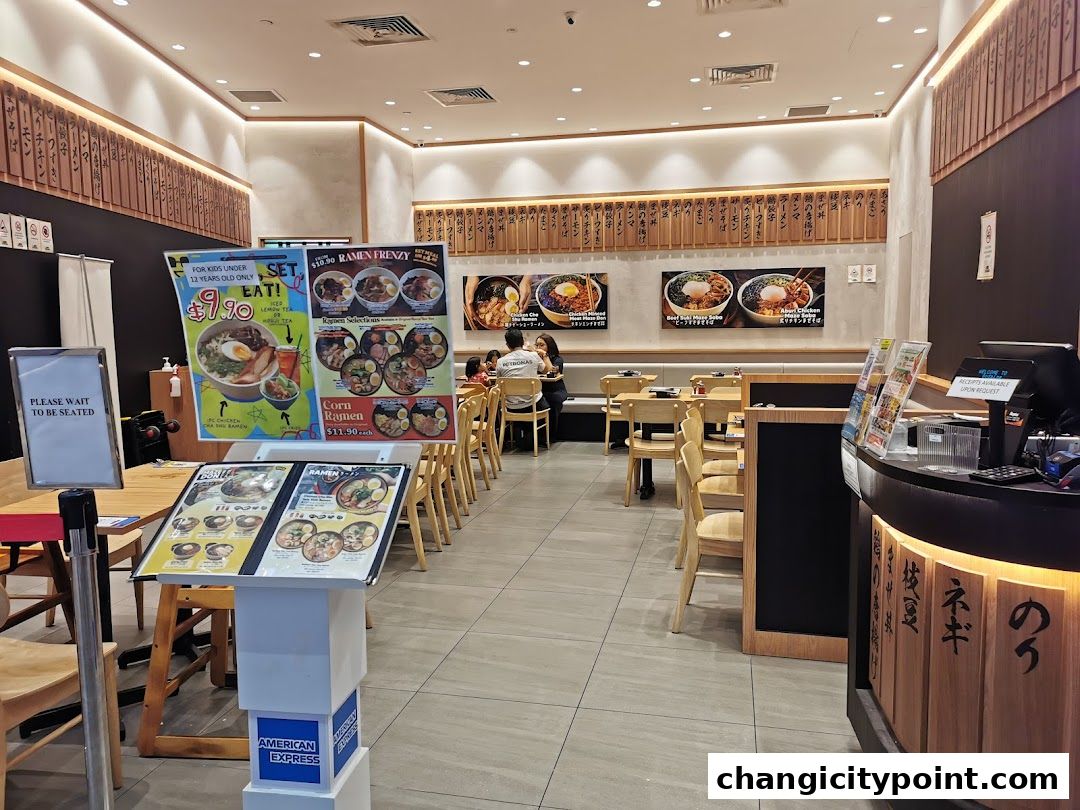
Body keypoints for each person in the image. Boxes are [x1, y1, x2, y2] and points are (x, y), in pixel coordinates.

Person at [495, 328, 550, 450]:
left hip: (510, 407)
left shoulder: (500, 361)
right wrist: (543, 354)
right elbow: (546, 370)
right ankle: (539, 440)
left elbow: (499, 382)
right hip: (532, 405)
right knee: (545, 399)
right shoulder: (533, 356)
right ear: (523, 341)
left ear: (507, 345)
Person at [535, 333, 567, 441]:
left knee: (553, 401)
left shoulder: (558, 359)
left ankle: (551, 436)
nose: (538, 348)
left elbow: (552, 371)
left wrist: (545, 356)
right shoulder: (533, 360)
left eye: (542, 345)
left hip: (556, 390)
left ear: (549, 346)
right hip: (539, 390)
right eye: (537, 345)